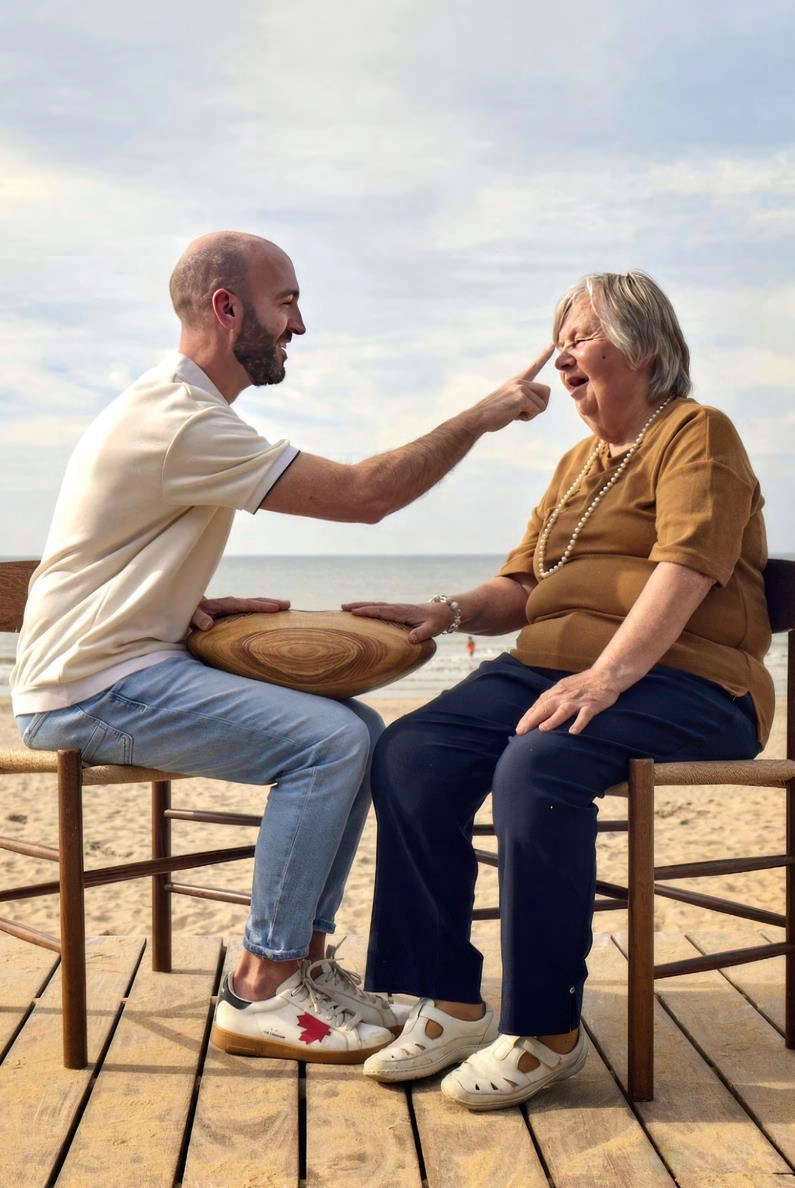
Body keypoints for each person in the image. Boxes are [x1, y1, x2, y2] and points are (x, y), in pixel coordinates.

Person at [10, 232, 552, 1065]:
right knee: (329, 742)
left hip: (123, 659)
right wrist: (485, 412)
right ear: (229, 310)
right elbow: (367, 497)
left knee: (363, 733)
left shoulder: (183, 413)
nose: (299, 324)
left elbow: (112, 551)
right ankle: (259, 986)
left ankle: (301, 960)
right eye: (287, 302)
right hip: (86, 686)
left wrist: (184, 600)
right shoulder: (180, 421)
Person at [344, 270, 774, 1108]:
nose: (562, 354)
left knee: (537, 765)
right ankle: (450, 999)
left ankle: (544, 1030)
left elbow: (686, 567)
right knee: (411, 751)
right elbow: (519, 591)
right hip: (552, 668)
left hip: (691, 681)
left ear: (645, 349)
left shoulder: (697, 433)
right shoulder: (579, 462)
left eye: (581, 335)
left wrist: (608, 675)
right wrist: (445, 609)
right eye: (560, 338)